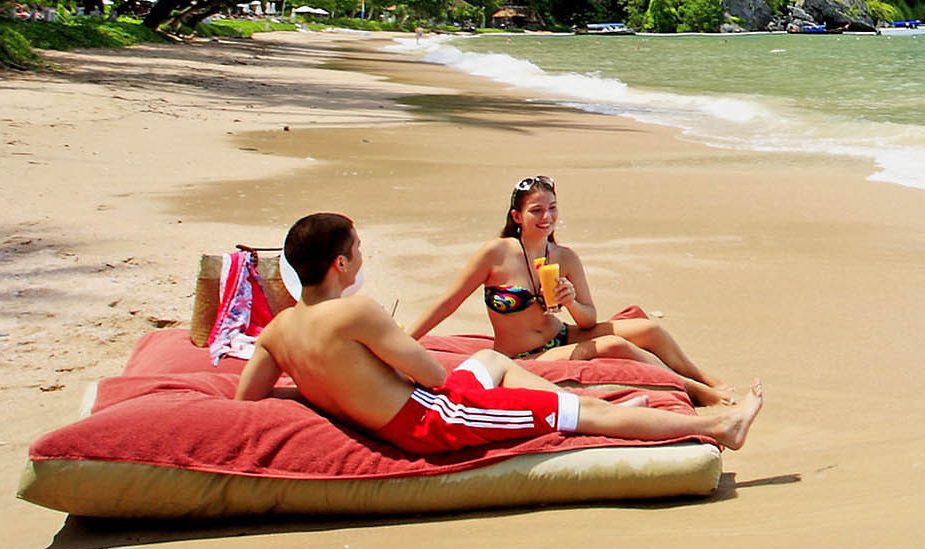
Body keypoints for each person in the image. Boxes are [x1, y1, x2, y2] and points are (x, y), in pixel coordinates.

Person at [235, 211, 761, 455]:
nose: (363, 258)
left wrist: (330, 384)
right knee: (581, 416)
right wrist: (385, 360)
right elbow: (432, 374)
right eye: (360, 250)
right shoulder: (356, 313)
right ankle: (719, 430)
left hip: (406, 410)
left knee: (493, 363)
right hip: (430, 422)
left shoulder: (279, 330)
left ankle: (594, 401)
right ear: (342, 263)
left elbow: (248, 396)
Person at [404, 174, 732, 406]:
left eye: (552, 208)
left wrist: (570, 301)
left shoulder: (564, 257)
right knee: (615, 345)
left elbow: (588, 320)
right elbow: (448, 303)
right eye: (536, 210)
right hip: (525, 355)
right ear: (517, 216)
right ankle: (690, 390)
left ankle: (705, 378)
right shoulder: (496, 254)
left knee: (649, 329)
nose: (546, 217)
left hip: (563, 336)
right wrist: (406, 342)